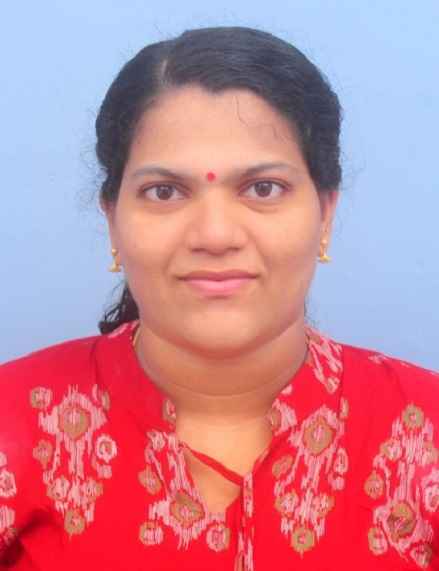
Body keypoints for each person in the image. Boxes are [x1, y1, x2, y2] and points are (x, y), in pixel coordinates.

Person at [0, 26, 437, 571]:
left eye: (263, 188)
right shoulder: (12, 421)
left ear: (325, 213)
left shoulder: (424, 432)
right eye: (164, 192)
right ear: (112, 219)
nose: (214, 234)